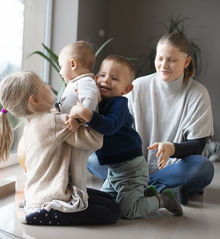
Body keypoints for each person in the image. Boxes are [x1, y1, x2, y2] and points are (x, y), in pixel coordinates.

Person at [87, 33, 214, 205]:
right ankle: (159, 190)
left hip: (172, 168)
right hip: (131, 165)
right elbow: (114, 125)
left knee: (203, 167)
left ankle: (139, 187)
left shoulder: (198, 94)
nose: (163, 65)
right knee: (91, 157)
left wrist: (171, 148)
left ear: (187, 62)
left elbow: (198, 145)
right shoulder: (137, 86)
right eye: (160, 58)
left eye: (171, 60)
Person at [0, 71, 120, 225]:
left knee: (108, 200)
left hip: (36, 195)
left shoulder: (32, 122)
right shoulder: (53, 122)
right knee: (112, 211)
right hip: (51, 198)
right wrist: (92, 112)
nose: (48, 86)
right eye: (43, 85)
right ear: (34, 100)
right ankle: (48, 215)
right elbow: (94, 141)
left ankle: (39, 211)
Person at [69, 55, 183, 218]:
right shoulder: (95, 101)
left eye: (114, 78)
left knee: (127, 211)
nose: (106, 80)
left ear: (126, 89)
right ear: (95, 79)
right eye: (102, 75)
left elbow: (109, 126)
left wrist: (88, 115)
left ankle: (162, 199)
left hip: (131, 169)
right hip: (114, 170)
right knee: (108, 202)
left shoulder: (119, 104)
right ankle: (146, 193)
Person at [56, 41, 100, 210]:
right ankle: (69, 194)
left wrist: (79, 120)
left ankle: (80, 199)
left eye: (61, 66)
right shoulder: (75, 84)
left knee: (77, 167)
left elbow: (89, 101)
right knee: (70, 166)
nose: (60, 72)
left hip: (82, 135)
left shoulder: (86, 82)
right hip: (73, 134)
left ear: (72, 64)